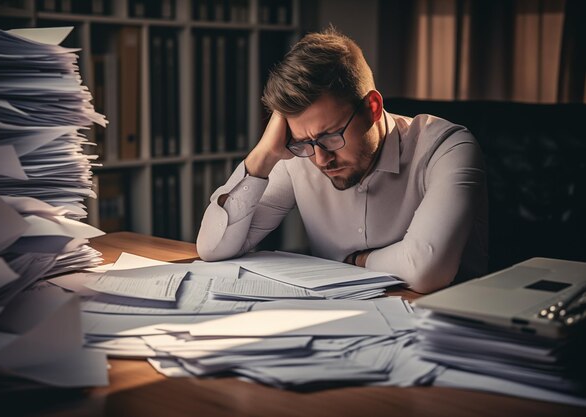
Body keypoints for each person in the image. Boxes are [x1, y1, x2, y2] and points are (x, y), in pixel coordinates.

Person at [196, 27, 487, 294]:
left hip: (449, 326)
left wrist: (355, 261)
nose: (321, 158)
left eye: (332, 135)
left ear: (372, 108)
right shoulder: (302, 153)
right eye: (304, 141)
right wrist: (262, 156)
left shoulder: (448, 147)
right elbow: (213, 248)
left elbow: (427, 270)